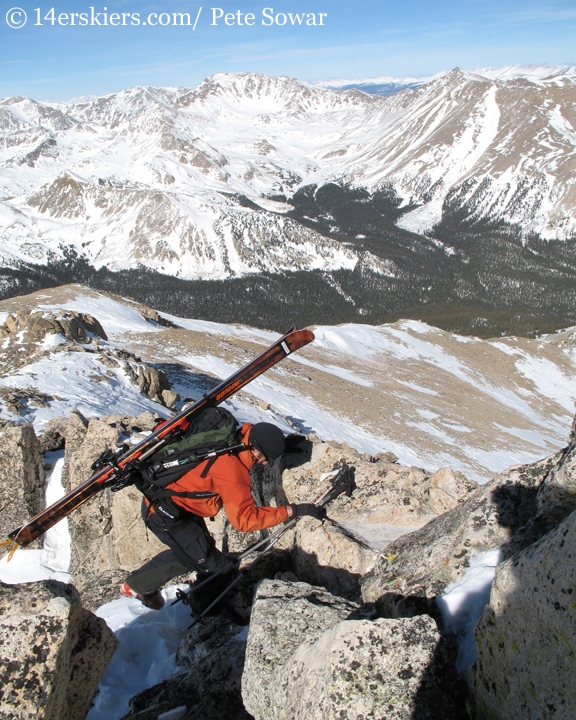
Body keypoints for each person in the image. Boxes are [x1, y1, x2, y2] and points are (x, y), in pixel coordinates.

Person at [120, 420, 324, 610]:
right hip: (167, 514)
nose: (264, 464)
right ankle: (197, 609)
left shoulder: (235, 437)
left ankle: (139, 584)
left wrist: (278, 445)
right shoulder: (232, 472)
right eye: (265, 458)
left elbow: (259, 437)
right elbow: (244, 520)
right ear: (254, 448)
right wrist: (291, 510)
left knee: (197, 554)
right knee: (215, 567)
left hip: (175, 503)